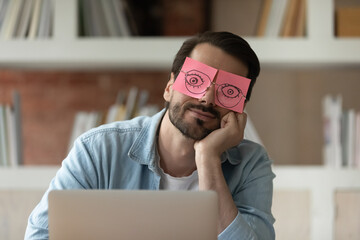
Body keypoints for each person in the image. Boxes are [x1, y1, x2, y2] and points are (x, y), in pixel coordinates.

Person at [25, 31, 275, 240]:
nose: (206, 98)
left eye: (229, 91)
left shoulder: (251, 163)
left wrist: (208, 157)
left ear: (239, 109)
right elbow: (40, 235)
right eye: (196, 80)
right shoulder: (98, 149)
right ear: (169, 87)